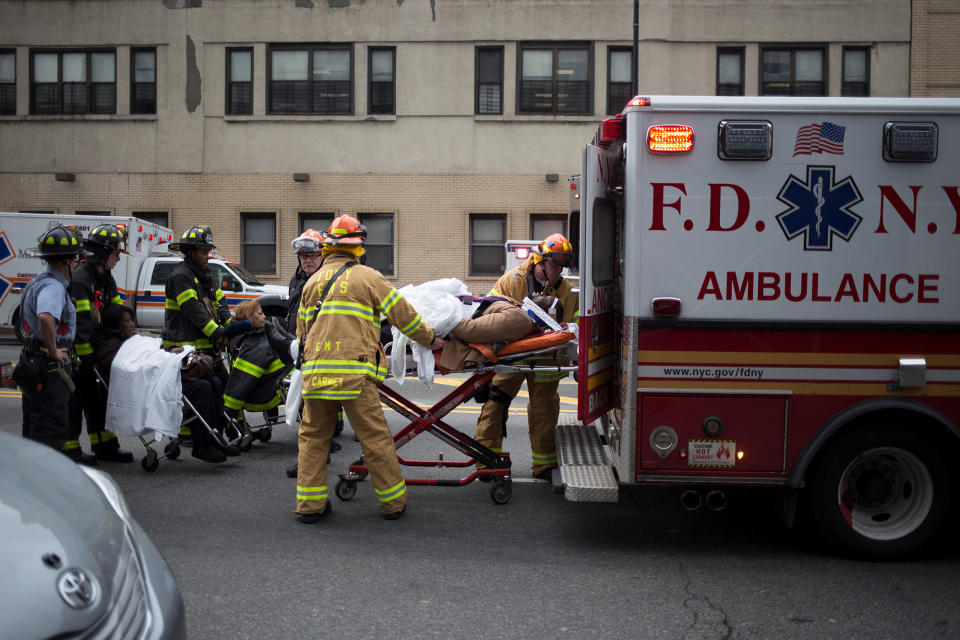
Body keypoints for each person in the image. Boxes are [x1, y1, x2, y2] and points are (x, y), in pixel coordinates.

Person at [295, 214, 444, 523]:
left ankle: (310, 507)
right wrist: (430, 339)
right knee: (375, 439)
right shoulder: (369, 277)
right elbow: (404, 316)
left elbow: (301, 333)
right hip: (355, 376)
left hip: (316, 375)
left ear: (328, 248)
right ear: (359, 246)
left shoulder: (312, 282)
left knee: (312, 439)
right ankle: (393, 504)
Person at [472, 233, 579, 480]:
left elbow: (576, 325)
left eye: (564, 262)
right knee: (495, 403)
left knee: (545, 409)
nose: (559, 268)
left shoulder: (569, 291)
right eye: (555, 262)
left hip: (547, 359)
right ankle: (487, 462)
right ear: (540, 260)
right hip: (513, 355)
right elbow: (489, 311)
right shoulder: (513, 281)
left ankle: (544, 465)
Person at [95, 303, 239, 464]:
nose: (132, 324)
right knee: (201, 388)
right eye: (127, 321)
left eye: (131, 320)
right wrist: (158, 363)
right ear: (115, 324)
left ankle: (216, 437)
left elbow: (154, 347)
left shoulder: (134, 339)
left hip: (162, 378)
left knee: (215, 382)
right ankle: (202, 444)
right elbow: (127, 370)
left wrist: (170, 350)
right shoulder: (109, 348)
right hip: (149, 388)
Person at [163, 225, 252, 441]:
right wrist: (220, 334)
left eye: (208, 251)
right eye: (203, 251)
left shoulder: (206, 275)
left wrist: (229, 324)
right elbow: (195, 312)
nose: (208, 255)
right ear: (191, 252)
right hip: (184, 349)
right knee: (205, 390)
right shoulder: (181, 277)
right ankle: (191, 435)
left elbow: (219, 303)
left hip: (206, 348)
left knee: (224, 384)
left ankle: (228, 428)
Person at [15, 225, 83, 460]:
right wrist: (54, 351)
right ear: (66, 261)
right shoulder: (53, 287)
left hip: (34, 360)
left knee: (34, 428)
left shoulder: (37, 282)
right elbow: (45, 317)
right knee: (51, 431)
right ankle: (43, 486)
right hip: (48, 368)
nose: (76, 264)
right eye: (75, 260)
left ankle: (28, 485)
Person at [68, 223, 134, 463]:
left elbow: (117, 310)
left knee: (99, 400)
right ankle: (71, 450)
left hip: (97, 350)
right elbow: (81, 323)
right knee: (76, 402)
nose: (118, 258)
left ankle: (105, 446)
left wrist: (128, 327)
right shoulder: (81, 279)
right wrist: (86, 359)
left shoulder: (105, 277)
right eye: (115, 253)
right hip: (78, 355)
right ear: (103, 253)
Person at [284, 229, 343, 479]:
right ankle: (323, 447)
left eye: (312, 256)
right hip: (302, 349)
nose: (307, 260)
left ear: (324, 256)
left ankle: (311, 460)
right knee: (310, 408)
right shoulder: (298, 279)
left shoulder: (327, 280)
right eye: (302, 256)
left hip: (321, 354)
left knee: (311, 411)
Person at [223, 300, 293, 422]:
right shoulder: (254, 345)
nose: (264, 316)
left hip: (265, 389)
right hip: (262, 398)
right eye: (260, 314)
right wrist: (230, 414)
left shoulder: (252, 336)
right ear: (249, 320)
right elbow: (241, 385)